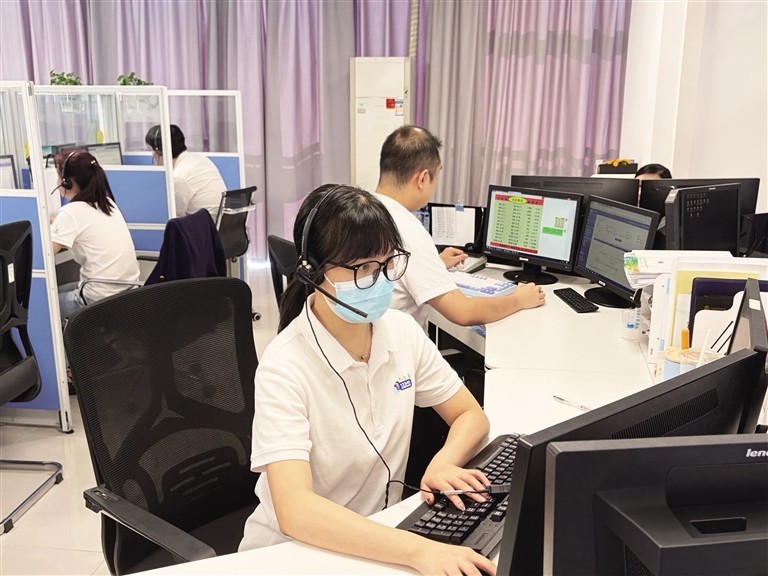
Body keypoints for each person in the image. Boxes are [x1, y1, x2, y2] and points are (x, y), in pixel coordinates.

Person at [239, 184, 497, 576]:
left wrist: (443, 461)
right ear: (312, 270)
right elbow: (295, 511)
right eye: (362, 268)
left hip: (378, 540)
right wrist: (419, 551)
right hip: (295, 553)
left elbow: (470, 415)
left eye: (387, 263)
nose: (379, 280)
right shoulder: (284, 366)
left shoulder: (401, 331)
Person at [374, 125, 545, 330]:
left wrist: (435, 264)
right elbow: (463, 312)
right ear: (423, 178)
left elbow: (393, 274)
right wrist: (518, 299)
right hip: (395, 345)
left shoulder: (365, 210)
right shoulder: (407, 230)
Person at [50, 149, 140, 318]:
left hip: (97, 300)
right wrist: (56, 221)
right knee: (58, 290)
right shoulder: (107, 203)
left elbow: (45, 254)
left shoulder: (71, 212)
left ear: (67, 182)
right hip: (127, 292)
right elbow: (82, 224)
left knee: (42, 303)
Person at [145, 124, 226, 220]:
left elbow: (173, 216)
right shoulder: (200, 159)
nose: (151, 155)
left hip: (204, 227)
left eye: (151, 150)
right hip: (219, 225)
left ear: (159, 152)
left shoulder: (179, 177)